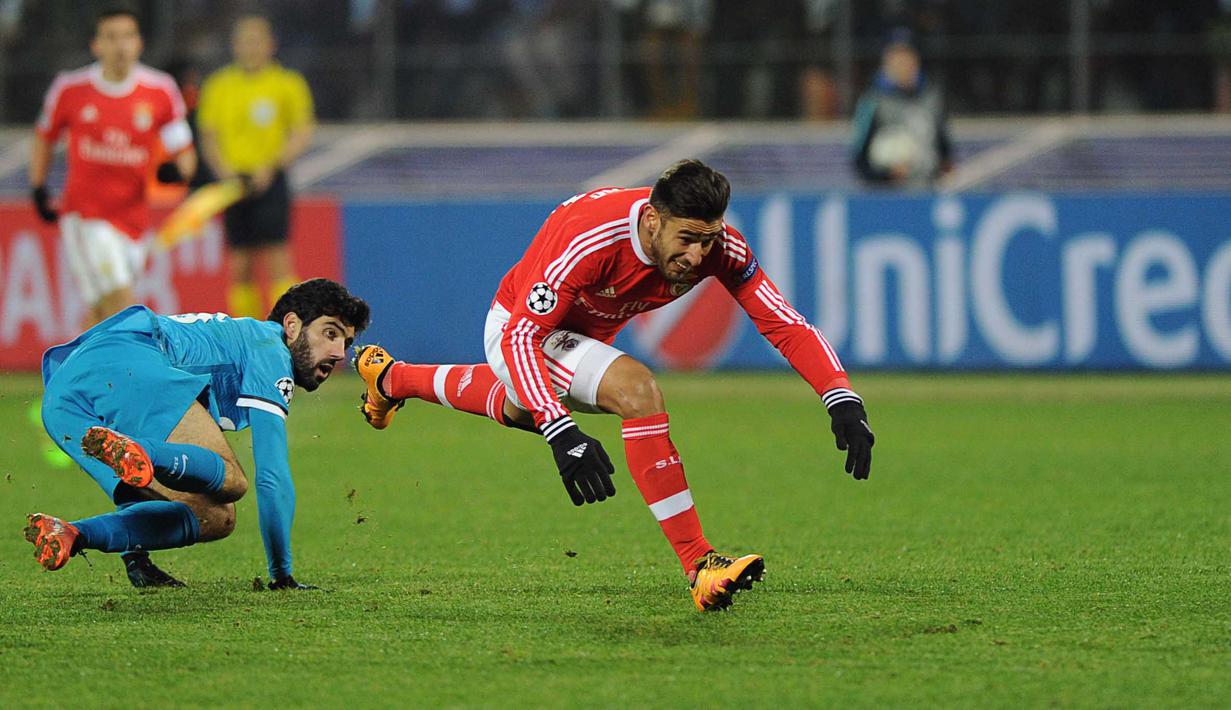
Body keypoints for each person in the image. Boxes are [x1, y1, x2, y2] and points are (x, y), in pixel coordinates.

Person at [353, 159, 875, 611]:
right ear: (652, 220)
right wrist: (560, 429)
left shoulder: (721, 248)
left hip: (577, 336)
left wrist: (841, 397)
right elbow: (522, 338)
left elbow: (784, 322)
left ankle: (392, 378)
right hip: (519, 329)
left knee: (519, 406)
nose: (697, 256)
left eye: (707, 240)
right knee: (637, 390)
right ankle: (700, 564)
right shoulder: (590, 238)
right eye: (687, 240)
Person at [24, 279, 369, 591]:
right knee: (232, 481)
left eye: (346, 342)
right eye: (330, 333)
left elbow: (137, 482)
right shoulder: (271, 348)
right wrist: (282, 574)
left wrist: (136, 557)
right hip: (128, 357)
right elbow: (271, 476)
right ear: (291, 326)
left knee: (217, 517)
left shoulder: (235, 340)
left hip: (62, 401)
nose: (339, 353)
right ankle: (145, 451)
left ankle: (74, 534)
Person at [29, 6, 197, 327]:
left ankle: (74, 362)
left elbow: (184, 150)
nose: (120, 46)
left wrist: (178, 171)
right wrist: (38, 187)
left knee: (100, 314)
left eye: (127, 37)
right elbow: (43, 136)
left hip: (133, 220)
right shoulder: (70, 88)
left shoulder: (160, 89)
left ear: (139, 43)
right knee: (123, 304)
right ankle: (148, 359)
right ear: (96, 45)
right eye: (111, 37)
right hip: (86, 217)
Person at [197, 15, 316, 320]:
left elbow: (301, 132)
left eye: (257, 41)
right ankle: (248, 333)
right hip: (232, 182)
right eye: (244, 42)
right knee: (240, 264)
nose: (251, 48)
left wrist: (272, 166)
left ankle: (288, 331)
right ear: (234, 46)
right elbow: (208, 135)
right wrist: (223, 171)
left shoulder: (286, 83)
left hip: (270, 179)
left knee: (278, 258)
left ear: (270, 44)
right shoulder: (219, 85)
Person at [850, 28, 952, 188]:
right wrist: (886, 174)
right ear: (886, 60)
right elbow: (859, 157)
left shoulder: (932, 97)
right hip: (889, 195)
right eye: (896, 56)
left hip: (928, 190)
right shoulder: (872, 100)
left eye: (907, 55)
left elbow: (944, 148)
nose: (902, 62)